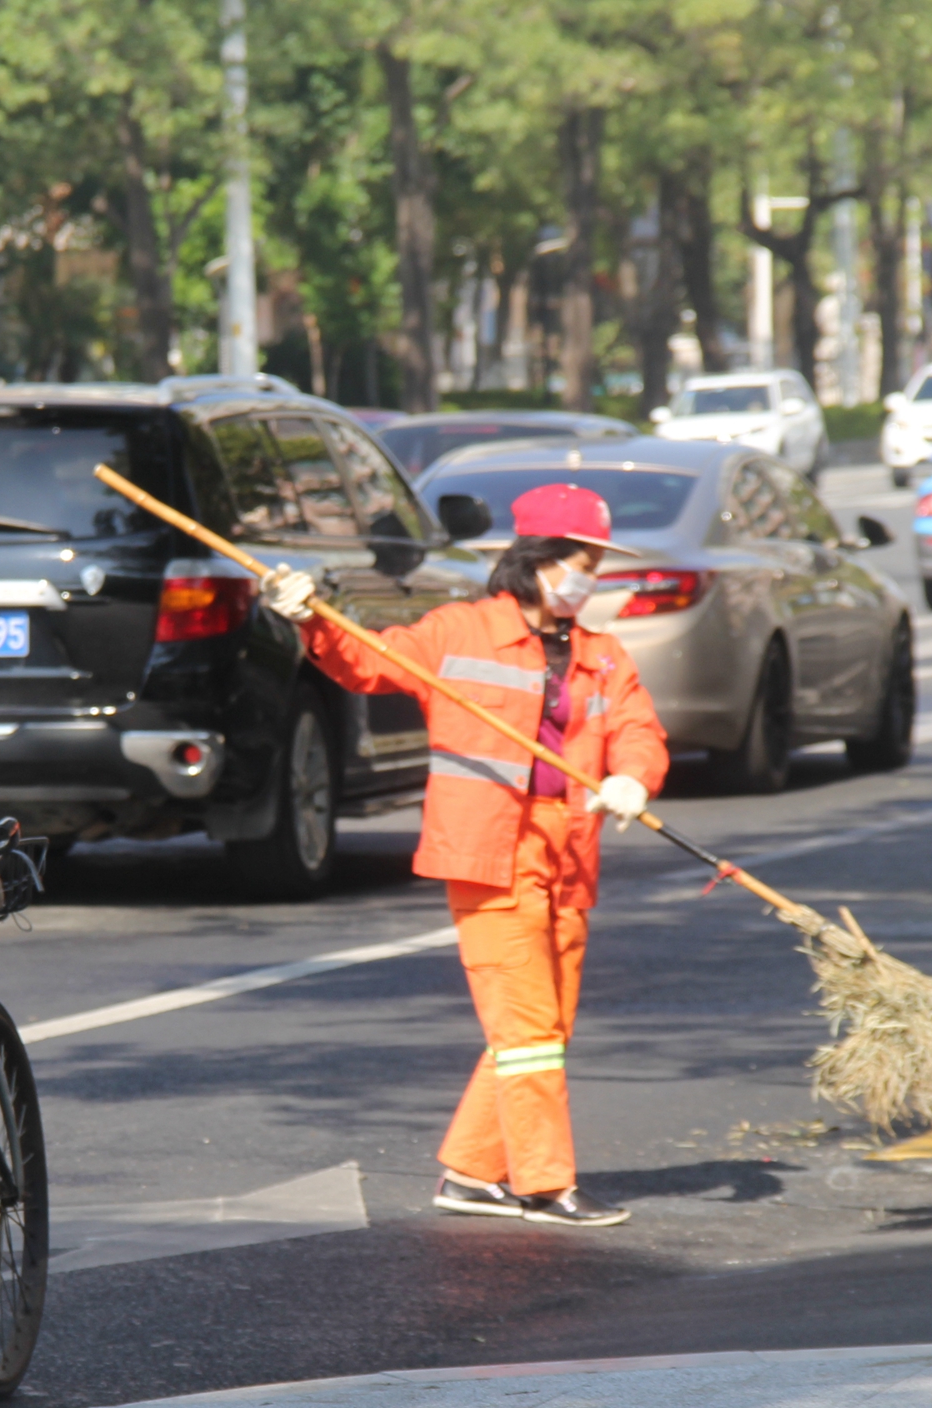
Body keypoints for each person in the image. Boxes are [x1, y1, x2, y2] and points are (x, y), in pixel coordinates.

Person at [261, 483, 668, 1227]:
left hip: (567, 850)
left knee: (543, 1024)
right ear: (540, 561)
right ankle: (543, 1184)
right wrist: (309, 616)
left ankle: (472, 1172)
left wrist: (632, 778)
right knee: (528, 1027)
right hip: (491, 851)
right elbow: (367, 661)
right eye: (585, 561)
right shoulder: (461, 632)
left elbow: (640, 730)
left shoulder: (602, 656)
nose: (593, 576)